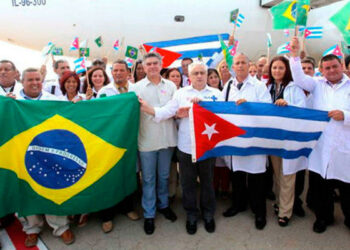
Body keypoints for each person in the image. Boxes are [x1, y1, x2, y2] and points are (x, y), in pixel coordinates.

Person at [140, 62, 221, 235]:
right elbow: (167, 111)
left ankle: (208, 215)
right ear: (189, 77)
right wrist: (150, 109)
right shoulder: (181, 93)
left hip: (207, 148)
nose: (199, 76)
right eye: (195, 73)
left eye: (202, 73)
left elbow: (225, 118)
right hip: (186, 147)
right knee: (187, 184)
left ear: (207, 75)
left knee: (207, 183)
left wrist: (205, 106)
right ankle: (191, 215)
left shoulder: (217, 94)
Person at [289, 36, 350, 233]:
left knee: (347, 187)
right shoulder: (316, 84)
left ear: (341, 66)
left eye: (335, 66)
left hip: (345, 145)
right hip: (322, 145)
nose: (332, 71)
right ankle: (323, 218)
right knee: (321, 186)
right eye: (327, 68)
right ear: (321, 70)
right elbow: (298, 77)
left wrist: (346, 116)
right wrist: (294, 55)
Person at [13, 68, 74, 247]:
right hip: (23, 153)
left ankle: (60, 227)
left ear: (42, 81)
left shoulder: (54, 100)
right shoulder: (13, 102)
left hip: (49, 153)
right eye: (30, 80)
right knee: (25, 189)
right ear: (22, 82)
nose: (34, 83)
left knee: (53, 187)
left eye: (38, 79)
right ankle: (32, 228)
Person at [221, 53, 271, 230]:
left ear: (249, 65)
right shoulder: (227, 86)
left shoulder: (259, 86)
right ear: (233, 67)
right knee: (238, 175)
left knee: (257, 178)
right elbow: (221, 109)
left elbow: (268, 108)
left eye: (243, 62)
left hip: (254, 138)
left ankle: (259, 212)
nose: (240, 66)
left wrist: (248, 105)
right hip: (235, 139)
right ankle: (238, 204)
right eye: (237, 63)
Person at [95, 60, 140, 233]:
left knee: (128, 174)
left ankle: (128, 208)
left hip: (131, 138)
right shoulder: (104, 92)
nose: (118, 73)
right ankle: (107, 216)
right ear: (111, 73)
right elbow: (98, 116)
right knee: (109, 177)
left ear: (128, 72)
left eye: (122, 70)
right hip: (111, 141)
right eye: (115, 71)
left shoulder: (136, 89)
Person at [136, 52, 178, 235]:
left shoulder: (171, 86)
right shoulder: (136, 88)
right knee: (148, 178)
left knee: (164, 176)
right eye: (149, 64)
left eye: (155, 63)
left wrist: (152, 110)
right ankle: (149, 213)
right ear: (143, 68)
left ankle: (163, 205)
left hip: (167, 139)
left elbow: (174, 109)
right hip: (146, 140)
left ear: (161, 65)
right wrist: (161, 112)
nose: (152, 66)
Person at [266, 56, 306, 226]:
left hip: (289, 137)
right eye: (274, 68)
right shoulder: (267, 87)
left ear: (287, 70)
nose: (277, 71)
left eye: (281, 68)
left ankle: (285, 212)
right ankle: (279, 203)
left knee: (288, 175)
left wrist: (287, 104)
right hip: (273, 138)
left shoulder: (294, 88)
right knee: (277, 173)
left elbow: (302, 110)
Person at [207, 69, 230, 199]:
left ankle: (225, 188)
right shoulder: (206, 95)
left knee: (225, 161)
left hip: (224, 131)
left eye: (216, 76)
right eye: (211, 77)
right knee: (214, 163)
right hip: (211, 131)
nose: (214, 79)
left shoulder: (225, 92)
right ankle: (214, 187)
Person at [165, 68, 183, 201]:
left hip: (183, 137)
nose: (176, 78)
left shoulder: (186, 92)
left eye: (178, 76)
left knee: (184, 167)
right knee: (171, 167)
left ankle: (184, 190)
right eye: (173, 76)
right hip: (169, 135)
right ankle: (171, 193)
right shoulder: (165, 93)